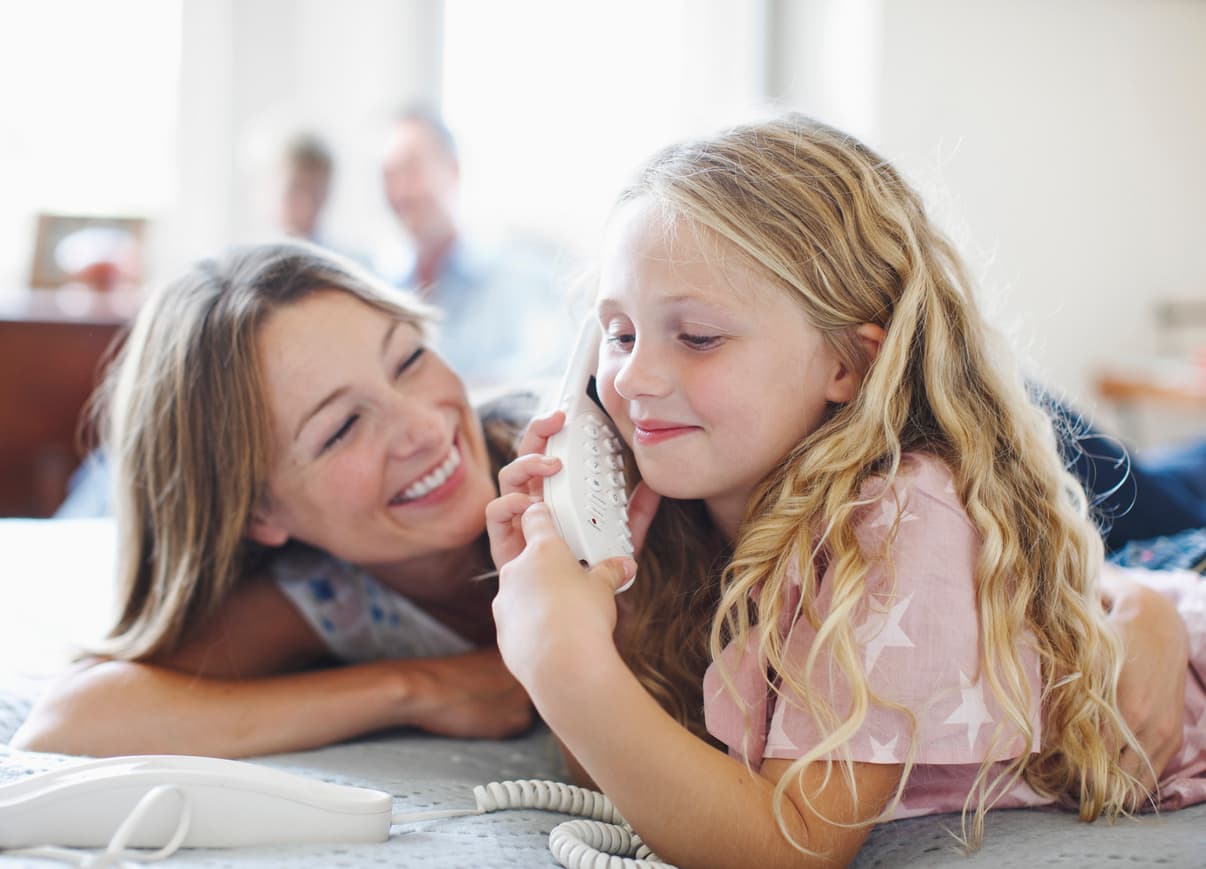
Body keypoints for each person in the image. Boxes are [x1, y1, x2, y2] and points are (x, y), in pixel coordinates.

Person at [485, 114, 1205, 867]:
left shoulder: (899, 518)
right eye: (620, 333)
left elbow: (791, 847)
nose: (631, 377)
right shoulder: (668, 510)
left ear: (846, 364)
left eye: (696, 337)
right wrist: (580, 603)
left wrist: (566, 667)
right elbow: (629, 766)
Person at [13, 241, 536, 758]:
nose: (422, 426)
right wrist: (417, 689)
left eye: (409, 359)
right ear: (257, 512)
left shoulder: (572, 477)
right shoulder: (328, 597)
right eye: (343, 428)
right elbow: (67, 722)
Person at [377, 103, 571, 390]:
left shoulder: (517, 278)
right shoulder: (379, 289)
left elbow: (550, 370)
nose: (400, 191)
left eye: (412, 170)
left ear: (452, 170)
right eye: (388, 176)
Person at [273, 132, 335, 245]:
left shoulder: (350, 260)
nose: (306, 207)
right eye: (296, 189)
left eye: (316, 195)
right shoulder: (242, 258)